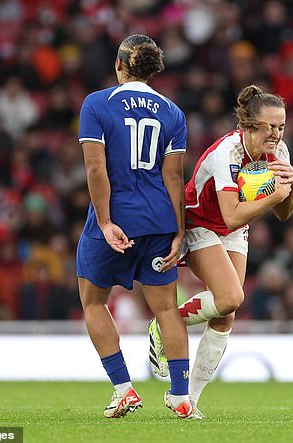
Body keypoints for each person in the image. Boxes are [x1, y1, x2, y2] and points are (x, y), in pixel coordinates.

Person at [148, 84, 293, 418]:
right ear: (248, 126)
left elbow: (284, 214)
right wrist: (275, 195)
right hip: (199, 221)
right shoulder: (226, 154)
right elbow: (231, 212)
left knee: (226, 313)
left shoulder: (280, 153)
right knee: (231, 297)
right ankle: (166, 322)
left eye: (281, 126)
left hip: (233, 229)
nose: (276, 134)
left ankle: (188, 399)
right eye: (270, 127)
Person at [76, 34, 192, 419]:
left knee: (93, 302)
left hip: (116, 219)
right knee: (166, 311)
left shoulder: (96, 104)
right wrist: (179, 231)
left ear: (120, 66)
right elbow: (174, 178)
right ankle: (181, 397)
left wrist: (106, 222)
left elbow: (96, 169)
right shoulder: (174, 113)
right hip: (160, 222)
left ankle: (124, 389)